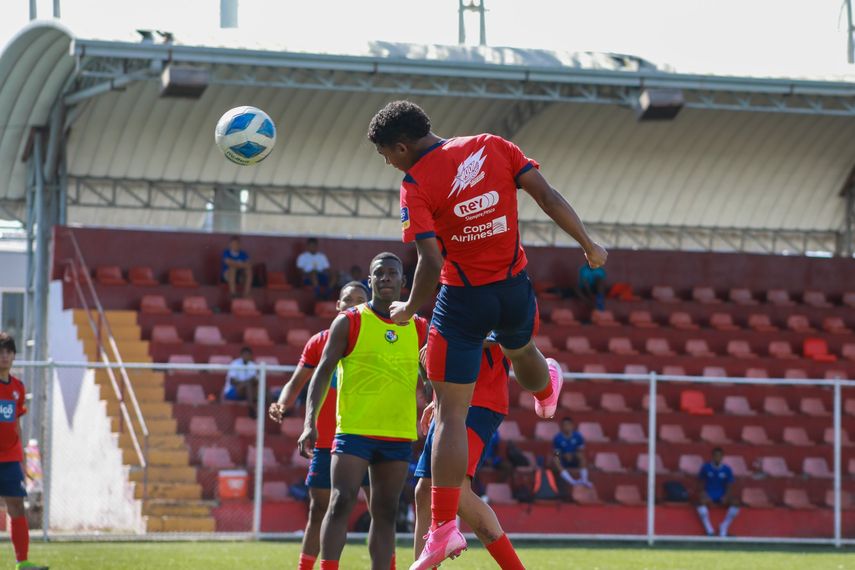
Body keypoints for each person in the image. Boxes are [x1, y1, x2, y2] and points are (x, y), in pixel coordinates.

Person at [368, 100, 607, 568]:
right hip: (513, 288)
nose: (389, 163)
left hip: (463, 300)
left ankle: (442, 529)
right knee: (521, 350)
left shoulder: (415, 183)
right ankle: (545, 386)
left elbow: (431, 262)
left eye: (386, 155)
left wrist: (409, 309)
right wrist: (588, 244)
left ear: (401, 147)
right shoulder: (493, 146)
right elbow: (548, 196)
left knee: (449, 415)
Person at [298, 252, 428, 570]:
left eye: (392, 273)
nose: (385, 278)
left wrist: (436, 401)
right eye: (379, 273)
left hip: (397, 433)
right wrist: (309, 422)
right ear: (370, 281)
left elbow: (431, 375)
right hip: (353, 431)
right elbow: (321, 373)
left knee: (385, 513)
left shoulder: (419, 326)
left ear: (404, 281)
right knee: (341, 501)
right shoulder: (349, 321)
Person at [268, 281, 369, 570]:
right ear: (338, 305)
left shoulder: (379, 340)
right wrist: (282, 403)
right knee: (319, 510)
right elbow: (296, 382)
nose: (353, 304)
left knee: (381, 512)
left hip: (369, 438)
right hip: (327, 442)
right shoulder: (319, 342)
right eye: (347, 299)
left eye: (360, 299)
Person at [414, 340, 524, 569]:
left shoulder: (493, 311)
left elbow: (495, 335)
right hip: (448, 401)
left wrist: (440, 342)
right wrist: (437, 398)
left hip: (479, 398)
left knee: (457, 494)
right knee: (424, 490)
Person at [0, 333, 48, 570]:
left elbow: (16, 425)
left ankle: (22, 562)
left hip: (10, 458)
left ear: (14, 356)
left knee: (17, 506)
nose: (4, 356)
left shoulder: (18, 387)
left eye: (8, 352)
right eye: (0, 352)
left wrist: (21, 458)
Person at [696, 447, 740, 537]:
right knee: (700, 502)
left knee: (736, 503)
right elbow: (700, 483)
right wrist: (704, 494)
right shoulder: (705, 467)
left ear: (722, 457)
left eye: (719, 456)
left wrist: (726, 496)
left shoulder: (727, 469)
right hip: (709, 494)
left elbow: (729, 485)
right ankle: (709, 530)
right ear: (712, 456)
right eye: (715, 456)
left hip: (721, 494)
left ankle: (724, 527)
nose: (717, 458)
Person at [551, 417, 591, 487]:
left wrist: (572, 455)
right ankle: (571, 481)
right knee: (556, 460)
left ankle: (584, 480)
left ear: (572, 426)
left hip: (574, 459)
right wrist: (564, 455)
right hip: (563, 460)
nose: (567, 427)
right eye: (564, 425)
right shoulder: (557, 438)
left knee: (581, 456)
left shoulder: (578, 436)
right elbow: (556, 454)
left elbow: (581, 451)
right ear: (561, 427)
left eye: (568, 425)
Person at [224, 347, 259, 418]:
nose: (246, 356)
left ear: (251, 356)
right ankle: (251, 408)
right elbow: (232, 381)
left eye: (248, 355)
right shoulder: (235, 364)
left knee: (264, 388)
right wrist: (246, 382)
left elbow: (255, 381)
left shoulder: (252, 365)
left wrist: (251, 382)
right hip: (232, 391)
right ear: (241, 355)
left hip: (248, 392)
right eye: (245, 355)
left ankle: (275, 410)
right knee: (248, 384)